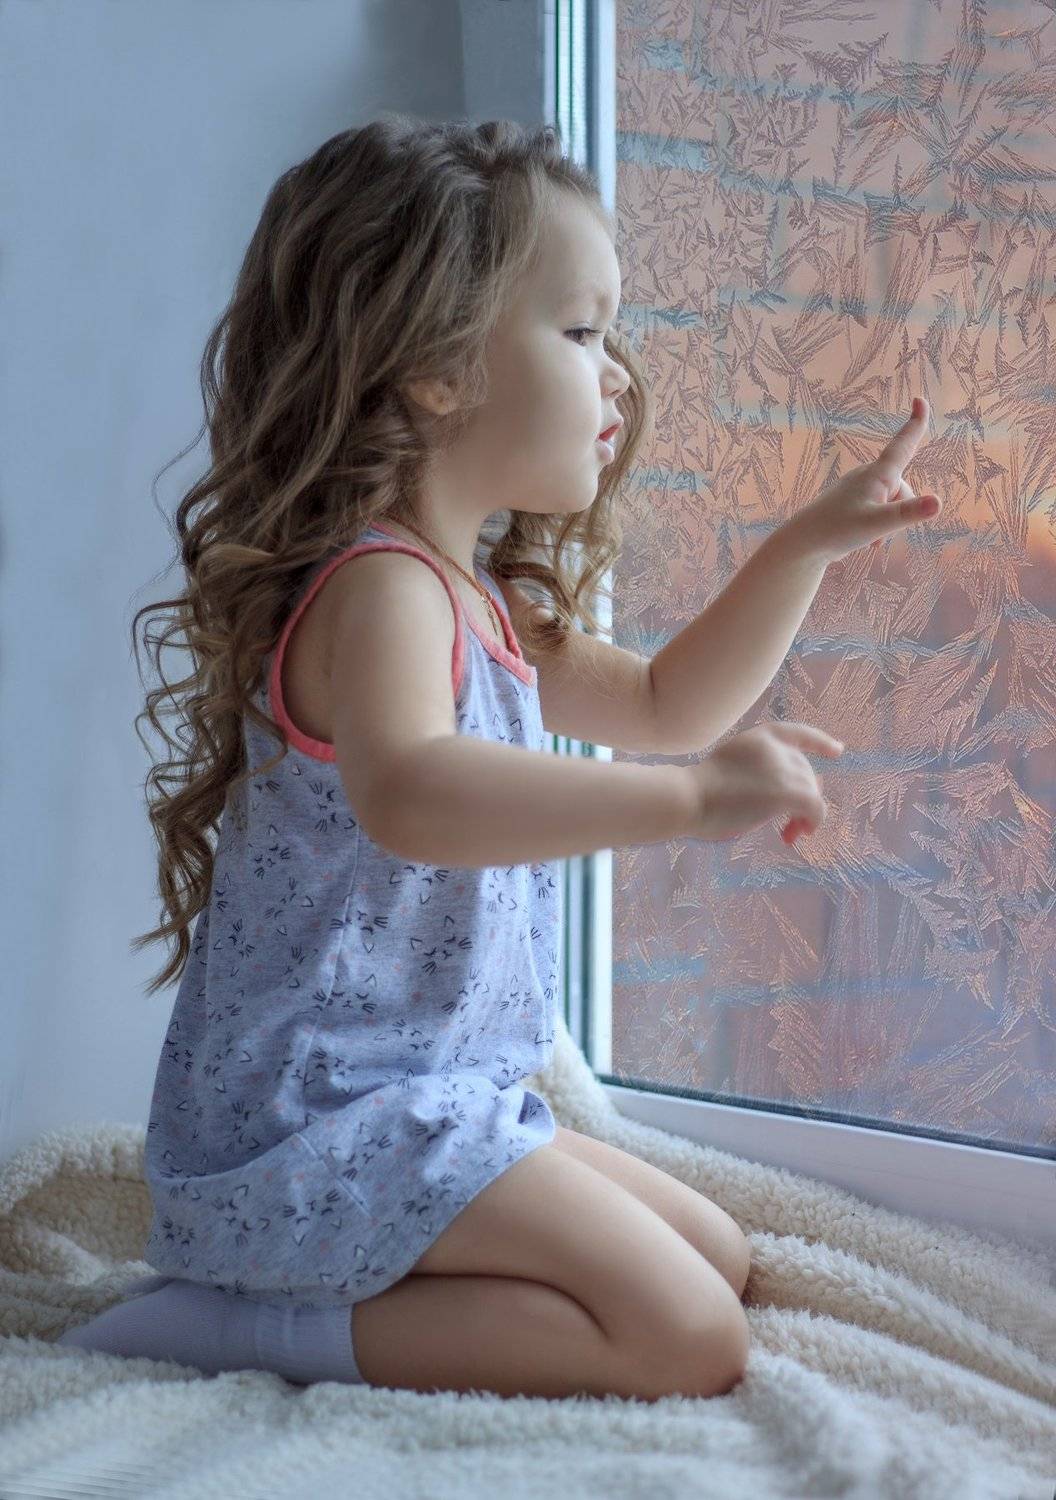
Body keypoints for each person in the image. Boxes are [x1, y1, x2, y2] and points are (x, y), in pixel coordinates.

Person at [56, 116, 942, 1400]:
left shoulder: (480, 600)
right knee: (690, 1336)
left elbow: (667, 701)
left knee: (719, 1256)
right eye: (580, 333)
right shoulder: (381, 591)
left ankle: (317, 1291)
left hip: (436, 1099)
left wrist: (803, 546)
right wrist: (689, 803)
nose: (618, 378)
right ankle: (228, 1328)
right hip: (318, 1120)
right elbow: (412, 789)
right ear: (436, 370)